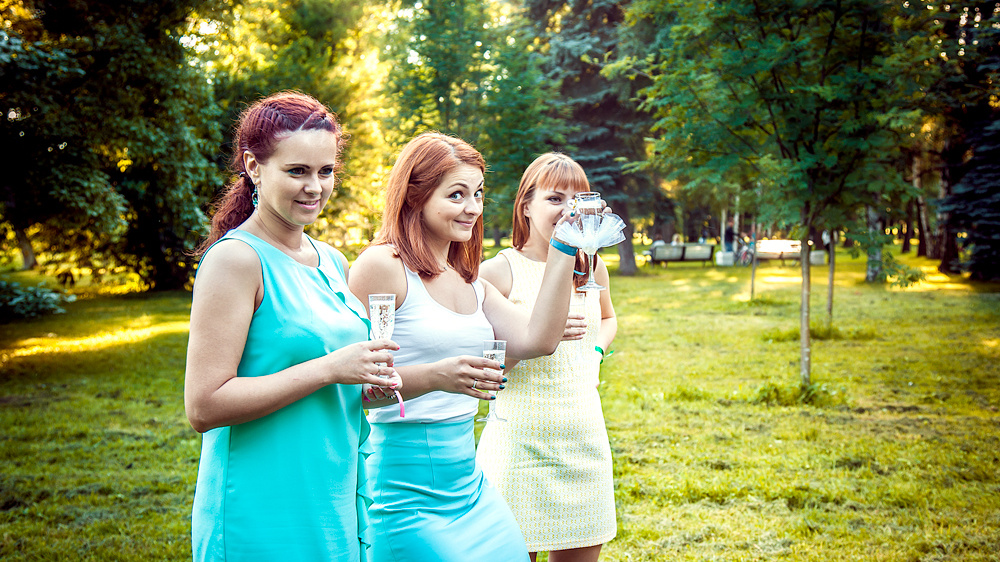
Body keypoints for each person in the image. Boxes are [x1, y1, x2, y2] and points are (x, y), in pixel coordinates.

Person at [184, 91, 401, 561]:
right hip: (260, 506)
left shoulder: (332, 260)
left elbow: (338, 383)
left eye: (325, 171)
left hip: (329, 495)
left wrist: (372, 384)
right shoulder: (235, 260)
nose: (315, 187)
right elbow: (203, 406)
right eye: (297, 171)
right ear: (253, 167)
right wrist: (329, 368)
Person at [348, 133, 580, 562]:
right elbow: (352, 389)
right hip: (404, 488)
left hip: (471, 485)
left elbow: (539, 340)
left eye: (477, 193)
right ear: (415, 195)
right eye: (456, 194)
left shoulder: (470, 280)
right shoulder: (382, 267)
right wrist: (438, 376)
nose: (473, 207)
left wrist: (565, 245)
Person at [475, 153, 618, 562]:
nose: (570, 210)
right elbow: (486, 364)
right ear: (526, 206)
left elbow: (608, 319)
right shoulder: (499, 271)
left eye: (578, 199)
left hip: (585, 437)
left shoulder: (592, 268)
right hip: (520, 446)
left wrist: (594, 351)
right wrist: (532, 340)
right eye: (556, 198)